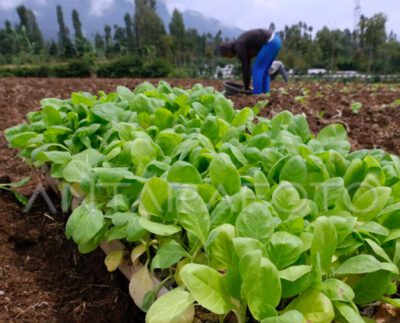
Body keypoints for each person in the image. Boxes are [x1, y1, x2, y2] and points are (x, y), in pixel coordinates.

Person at [219, 29, 282, 94]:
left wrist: (246, 87)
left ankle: (257, 94)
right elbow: (247, 65)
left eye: (226, 55)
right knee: (264, 70)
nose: (228, 58)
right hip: (276, 40)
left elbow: (245, 68)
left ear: (228, 51)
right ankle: (266, 93)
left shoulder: (239, 47)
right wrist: (246, 86)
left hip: (270, 41)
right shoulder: (242, 45)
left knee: (257, 69)